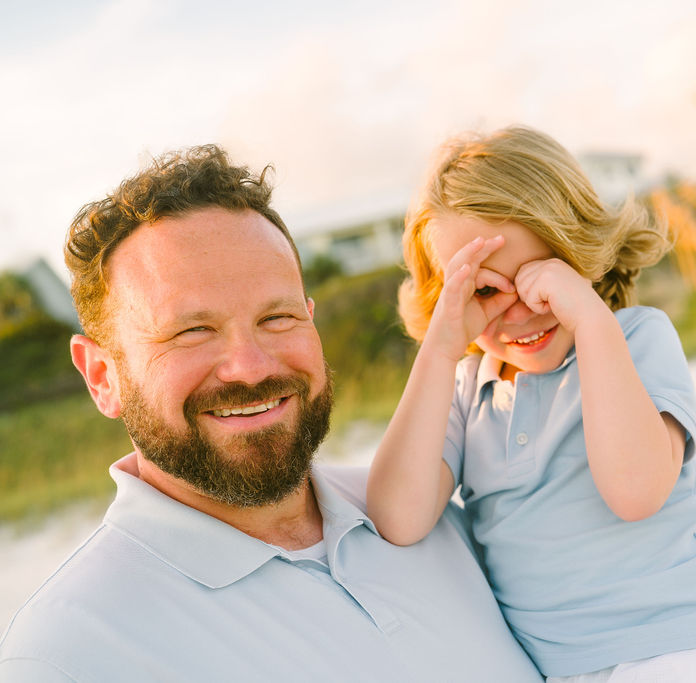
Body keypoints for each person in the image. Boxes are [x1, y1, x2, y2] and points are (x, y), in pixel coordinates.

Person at [0, 145, 542, 682]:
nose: (250, 367)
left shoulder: (436, 516)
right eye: (193, 331)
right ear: (101, 376)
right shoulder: (66, 655)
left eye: (277, 317)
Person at [366, 126, 696, 681]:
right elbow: (398, 516)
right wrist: (440, 353)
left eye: (544, 275)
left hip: (676, 653)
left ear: (581, 253)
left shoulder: (634, 339)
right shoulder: (466, 389)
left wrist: (588, 317)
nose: (523, 309)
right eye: (486, 291)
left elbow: (635, 492)